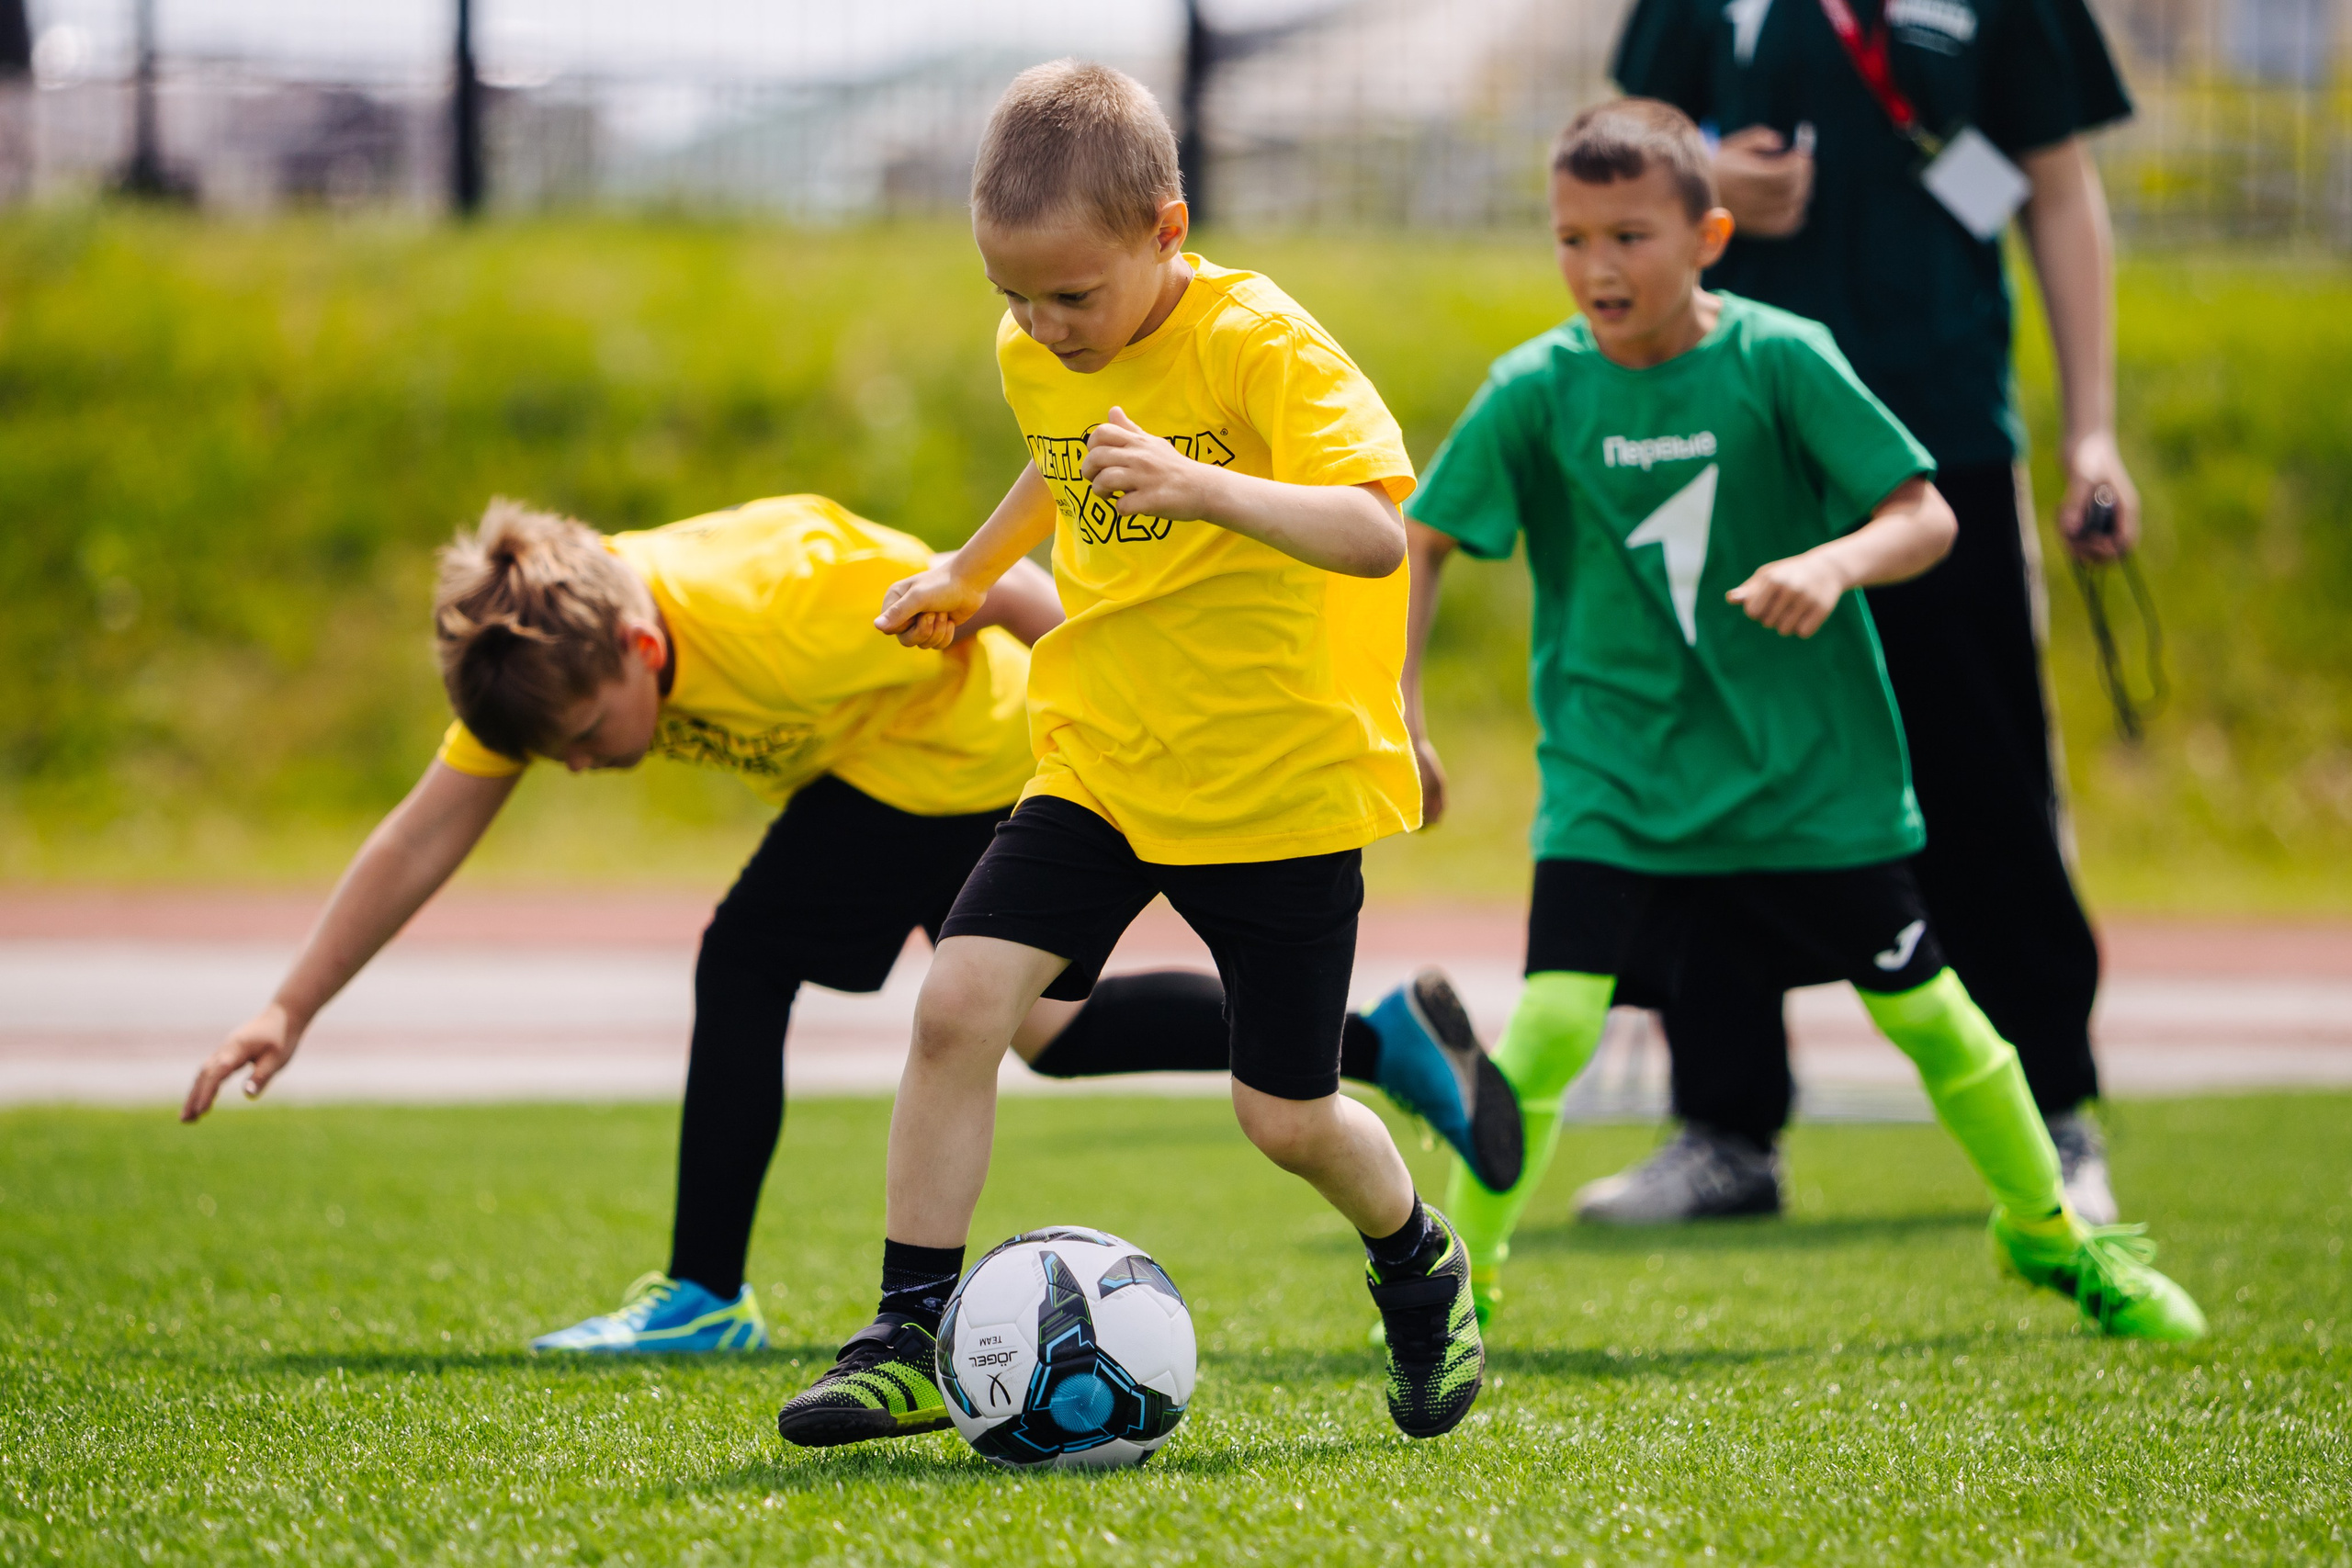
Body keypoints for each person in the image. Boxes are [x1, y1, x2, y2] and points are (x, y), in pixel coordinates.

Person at [178, 493, 1514, 1354]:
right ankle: (1379, 1043)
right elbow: (423, 830)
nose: (579, 767)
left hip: (991, 753)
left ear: (643, 651)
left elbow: (1017, 592)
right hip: (890, 768)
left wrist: (1126, 756)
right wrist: (286, 1003)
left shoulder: (789, 596)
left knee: (743, 956)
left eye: (588, 743)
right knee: (1047, 1037)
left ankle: (704, 1295)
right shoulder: (546, 659)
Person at [1400, 99, 2202, 1343]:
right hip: (1617, 780)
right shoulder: (1536, 388)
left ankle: (2053, 1241)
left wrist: (1833, 565)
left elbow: (1926, 516)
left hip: (1805, 775)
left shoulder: (1782, 357)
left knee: (1934, 1018)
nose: (1597, 268)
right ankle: (1462, 1292)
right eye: (1570, 238)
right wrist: (1400, 704)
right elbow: (1423, 536)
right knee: (1552, 1024)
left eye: (1630, 236)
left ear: (1710, 235)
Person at [772, 59, 1487, 1450]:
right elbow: (1056, 456)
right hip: (1100, 759)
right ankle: (908, 1332)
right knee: (958, 1007)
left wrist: (1200, 482)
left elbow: (1373, 533)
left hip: (1274, 788)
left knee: (1286, 1120)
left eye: (1072, 296)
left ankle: (1419, 1261)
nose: (1042, 325)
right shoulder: (1040, 346)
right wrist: (970, 575)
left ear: (1167, 230)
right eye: (1014, 298)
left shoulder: (1260, 341)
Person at [1584, 0, 2142, 1224]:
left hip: (1938, 447)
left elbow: (2054, 186)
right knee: (1719, 768)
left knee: (1986, 781)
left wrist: (2090, 429)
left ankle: (2054, 1113)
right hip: (1729, 438)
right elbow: (1618, 157)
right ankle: (1725, 1130)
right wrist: (1706, 179)